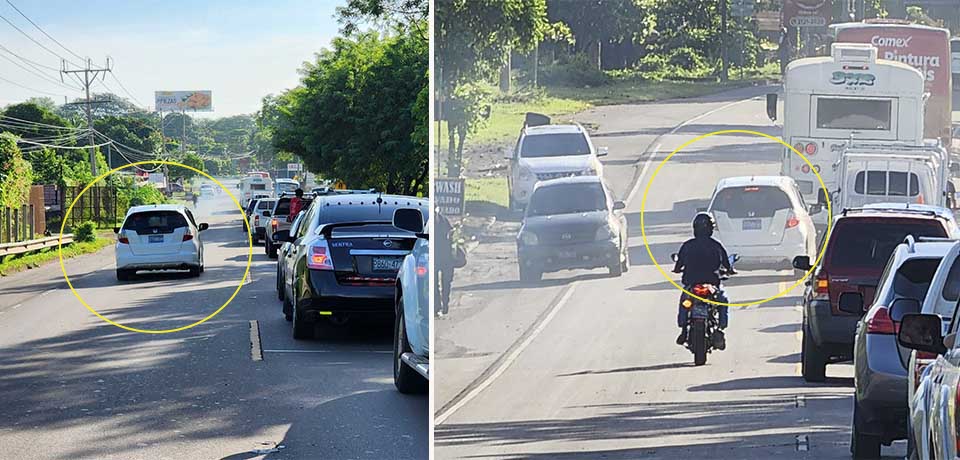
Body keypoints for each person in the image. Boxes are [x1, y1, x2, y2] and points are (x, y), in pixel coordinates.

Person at [672, 213, 734, 346]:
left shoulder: (687, 246)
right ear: (711, 228)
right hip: (712, 285)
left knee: (685, 302)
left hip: (692, 285)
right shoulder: (716, 246)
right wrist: (729, 270)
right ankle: (720, 329)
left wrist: (677, 268)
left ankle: (683, 330)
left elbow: (678, 264)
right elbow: (726, 264)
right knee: (723, 301)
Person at [435, 210, 454, 316]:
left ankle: (444, 304)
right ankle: (438, 306)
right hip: (438, 257)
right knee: (436, 283)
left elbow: (452, 236)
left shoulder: (443, 220)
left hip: (445, 257)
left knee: (446, 282)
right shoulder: (442, 220)